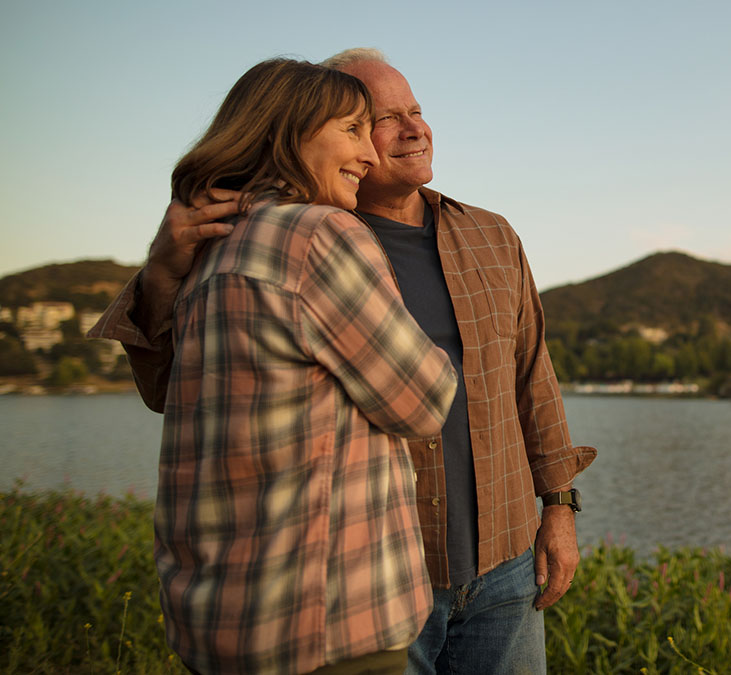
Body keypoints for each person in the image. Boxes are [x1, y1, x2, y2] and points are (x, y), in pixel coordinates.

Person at [89, 49, 596, 674]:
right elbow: (176, 390)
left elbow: (532, 380)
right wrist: (160, 275)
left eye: (417, 111)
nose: (414, 129)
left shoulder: (491, 236)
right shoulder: (285, 234)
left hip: (505, 563)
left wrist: (559, 509)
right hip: (372, 583)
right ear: (304, 131)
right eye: (376, 121)